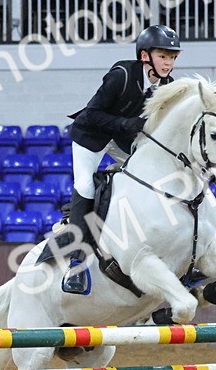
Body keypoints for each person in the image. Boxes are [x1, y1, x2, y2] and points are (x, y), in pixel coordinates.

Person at [45, 24, 182, 294]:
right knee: (85, 185)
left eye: (172, 57)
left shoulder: (168, 86)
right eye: (163, 56)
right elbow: (90, 114)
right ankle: (76, 262)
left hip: (122, 139)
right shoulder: (122, 75)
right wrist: (123, 123)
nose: (168, 63)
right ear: (145, 56)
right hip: (91, 136)